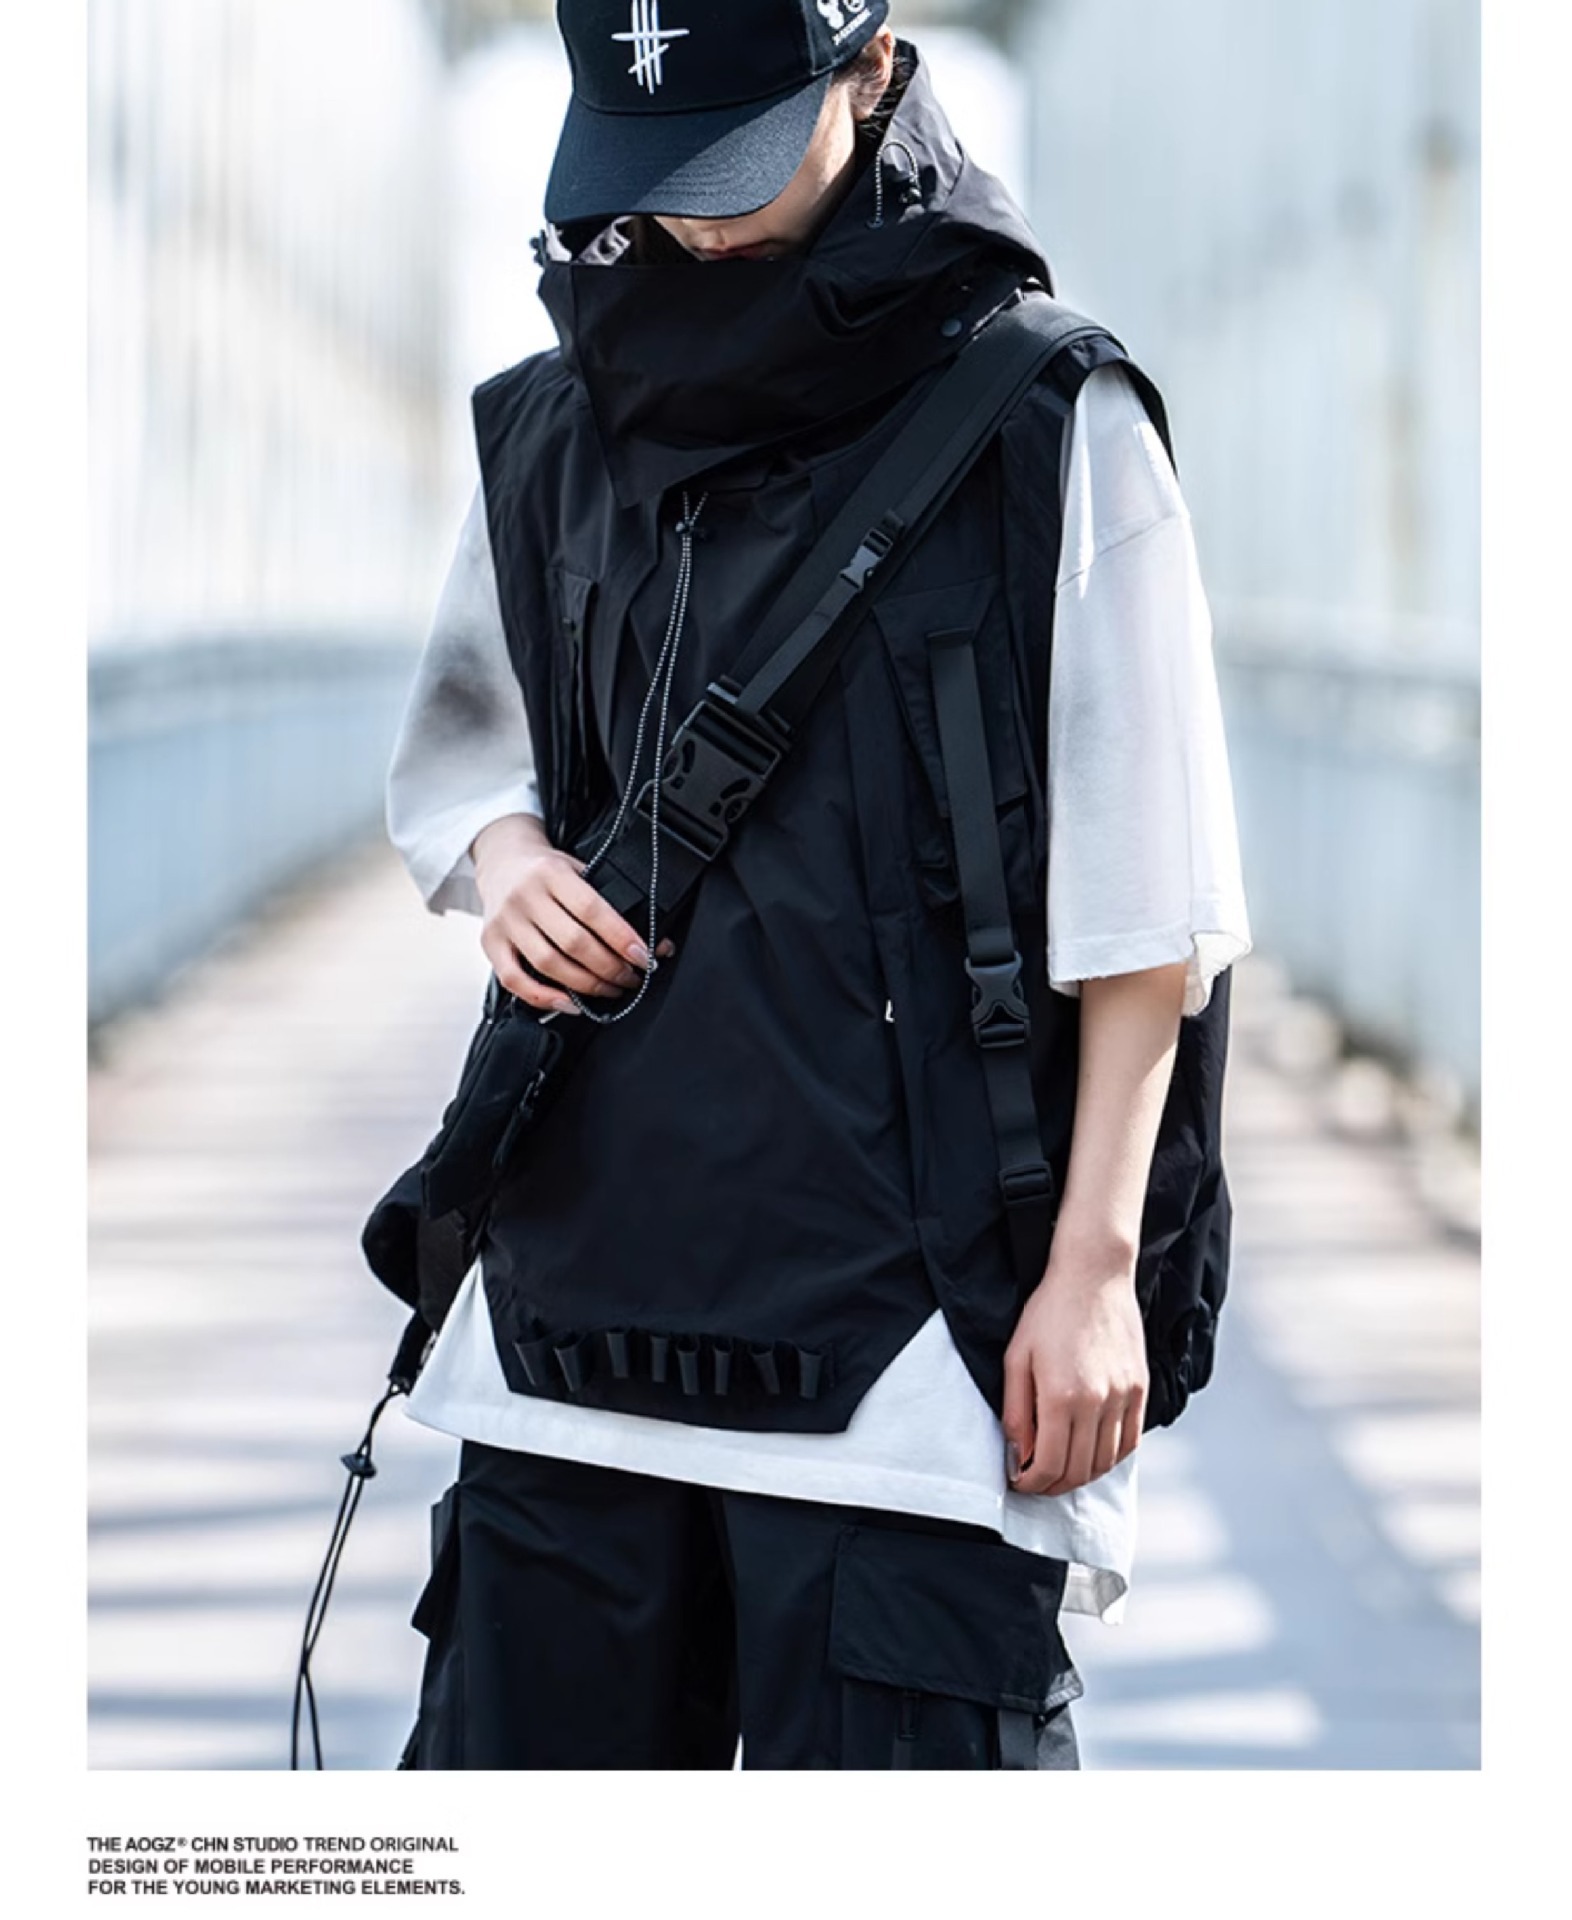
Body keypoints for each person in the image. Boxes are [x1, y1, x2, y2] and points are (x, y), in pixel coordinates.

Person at [383, 0, 1250, 1770]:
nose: (690, 216)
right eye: (654, 163)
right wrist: (507, 859)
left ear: (872, 67)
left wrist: (1097, 1269)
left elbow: (1149, 894)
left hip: (911, 1370)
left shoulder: (1047, 416)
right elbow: (472, 745)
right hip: (565, 1342)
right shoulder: (553, 417)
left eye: (735, 157)